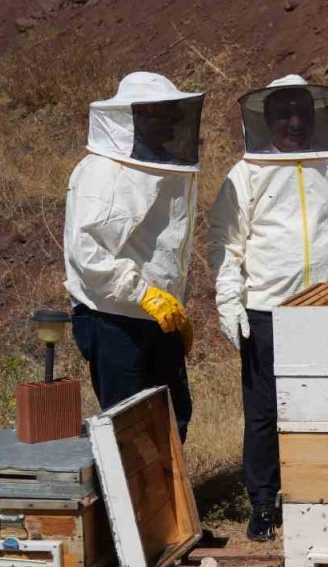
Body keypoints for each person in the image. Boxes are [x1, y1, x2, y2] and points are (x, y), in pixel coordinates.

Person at [209, 75, 328, 541]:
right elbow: (225, 243)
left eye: (302, 112)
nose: (293, 121)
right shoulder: (244, 172)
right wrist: (229, 300)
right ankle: (265, 502)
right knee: (265, 413)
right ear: (266, 119)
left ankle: (327, 487)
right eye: (283, 113)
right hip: (269, 310)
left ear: (317, 116)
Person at [64, 71, 202, 442]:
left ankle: (169, 502)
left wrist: (170, 304)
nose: (169, 124)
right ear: (133, 119)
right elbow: (88, 254)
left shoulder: (167, 169)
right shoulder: (103, 172)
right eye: (158, 115)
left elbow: (165, 248)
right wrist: (144, 294)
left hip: (159, 315)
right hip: (113, 320)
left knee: (173, 420)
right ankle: (127, 503)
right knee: (129, 430)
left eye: (171, 114)